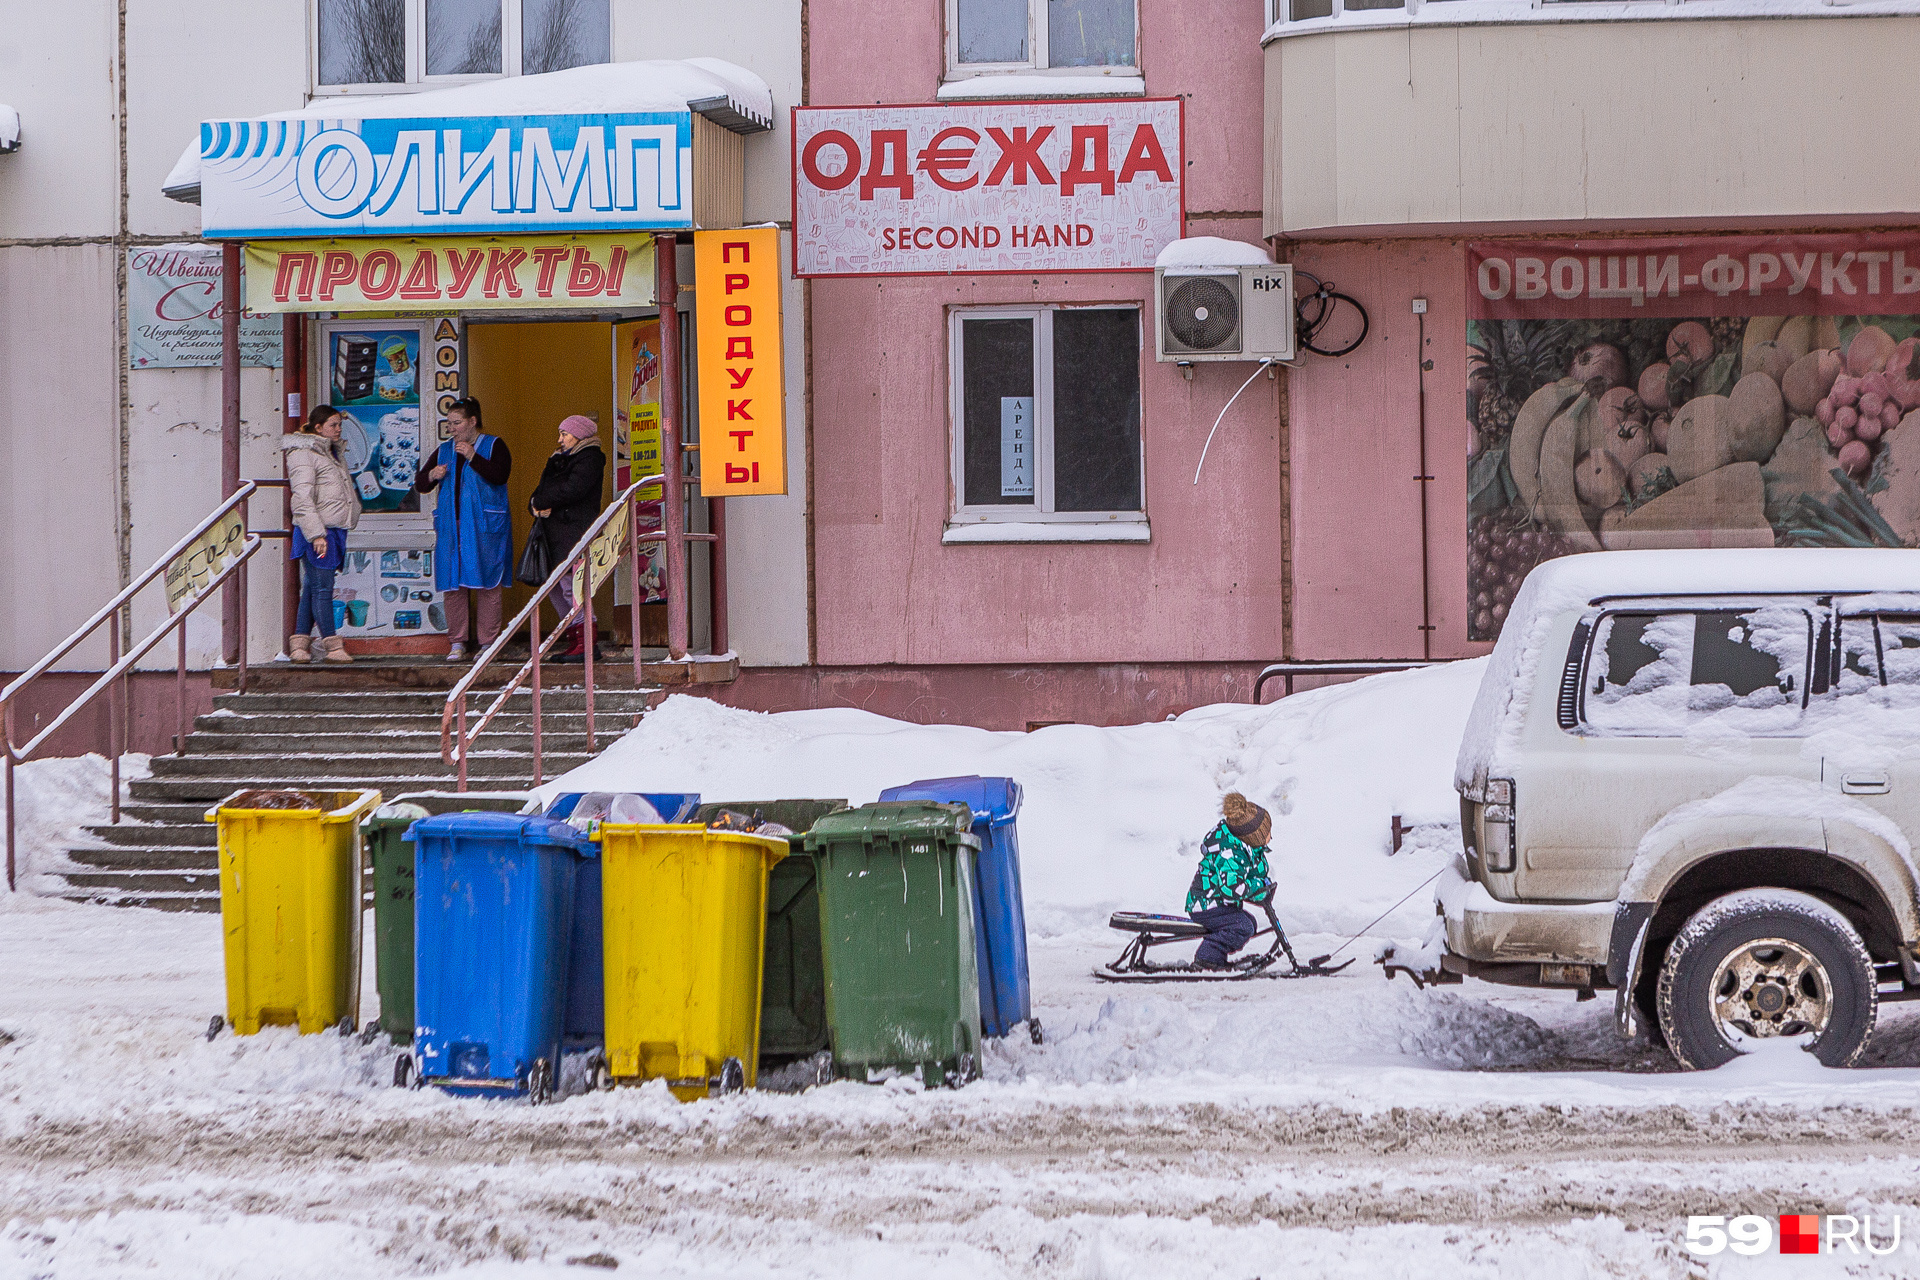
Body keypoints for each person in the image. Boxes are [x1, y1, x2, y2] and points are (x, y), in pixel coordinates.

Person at [416, 397, 512, 662]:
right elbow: (421, 484)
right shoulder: (443, 450)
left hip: (484, 526)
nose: (452, 428)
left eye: (456, 423)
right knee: (453, 585)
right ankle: (457, 641)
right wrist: (432, 476)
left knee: (487, 582)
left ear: (472, 421)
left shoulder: (494, 445)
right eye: (449, 423)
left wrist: (473, 456)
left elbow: (500, 476)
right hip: (451, 527)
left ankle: (488, 643)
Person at [281, 403, 362, 664]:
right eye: (333, 425)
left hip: (331, 530)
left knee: (312, 589)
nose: (338, 429)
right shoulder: (304, 453)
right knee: (323, 588)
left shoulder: (331, 453)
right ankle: (332, 645)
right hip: (318, 531)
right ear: (318, 428)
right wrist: (317, 534)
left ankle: (300, 645)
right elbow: (302, 497)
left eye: (340, 424)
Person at [527, 414, 607, 664]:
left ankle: (585, 641)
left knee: (572, 588)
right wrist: (535, 506)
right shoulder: (558, 459)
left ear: (579, 435)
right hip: (554, 533)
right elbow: (540, 492)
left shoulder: (591, 458)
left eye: (564, 434)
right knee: (554, 589)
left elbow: (573, 489)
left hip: (574, 531)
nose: (559, 439)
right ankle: (574, 638)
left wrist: (543, 500)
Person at [1185, 792, 1276, 969]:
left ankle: (1214, 953)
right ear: (1254, 837)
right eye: (1267, 833)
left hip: (1217, 905)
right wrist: (1258, 886)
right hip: (1206, 906)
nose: (1270, 837)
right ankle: (1208, 957)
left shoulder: (1241, 849)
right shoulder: (1229, 854)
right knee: (1242, 926)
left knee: (1249, 923)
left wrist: (1260, 889)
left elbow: (1247, 875)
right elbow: (1232, 888)